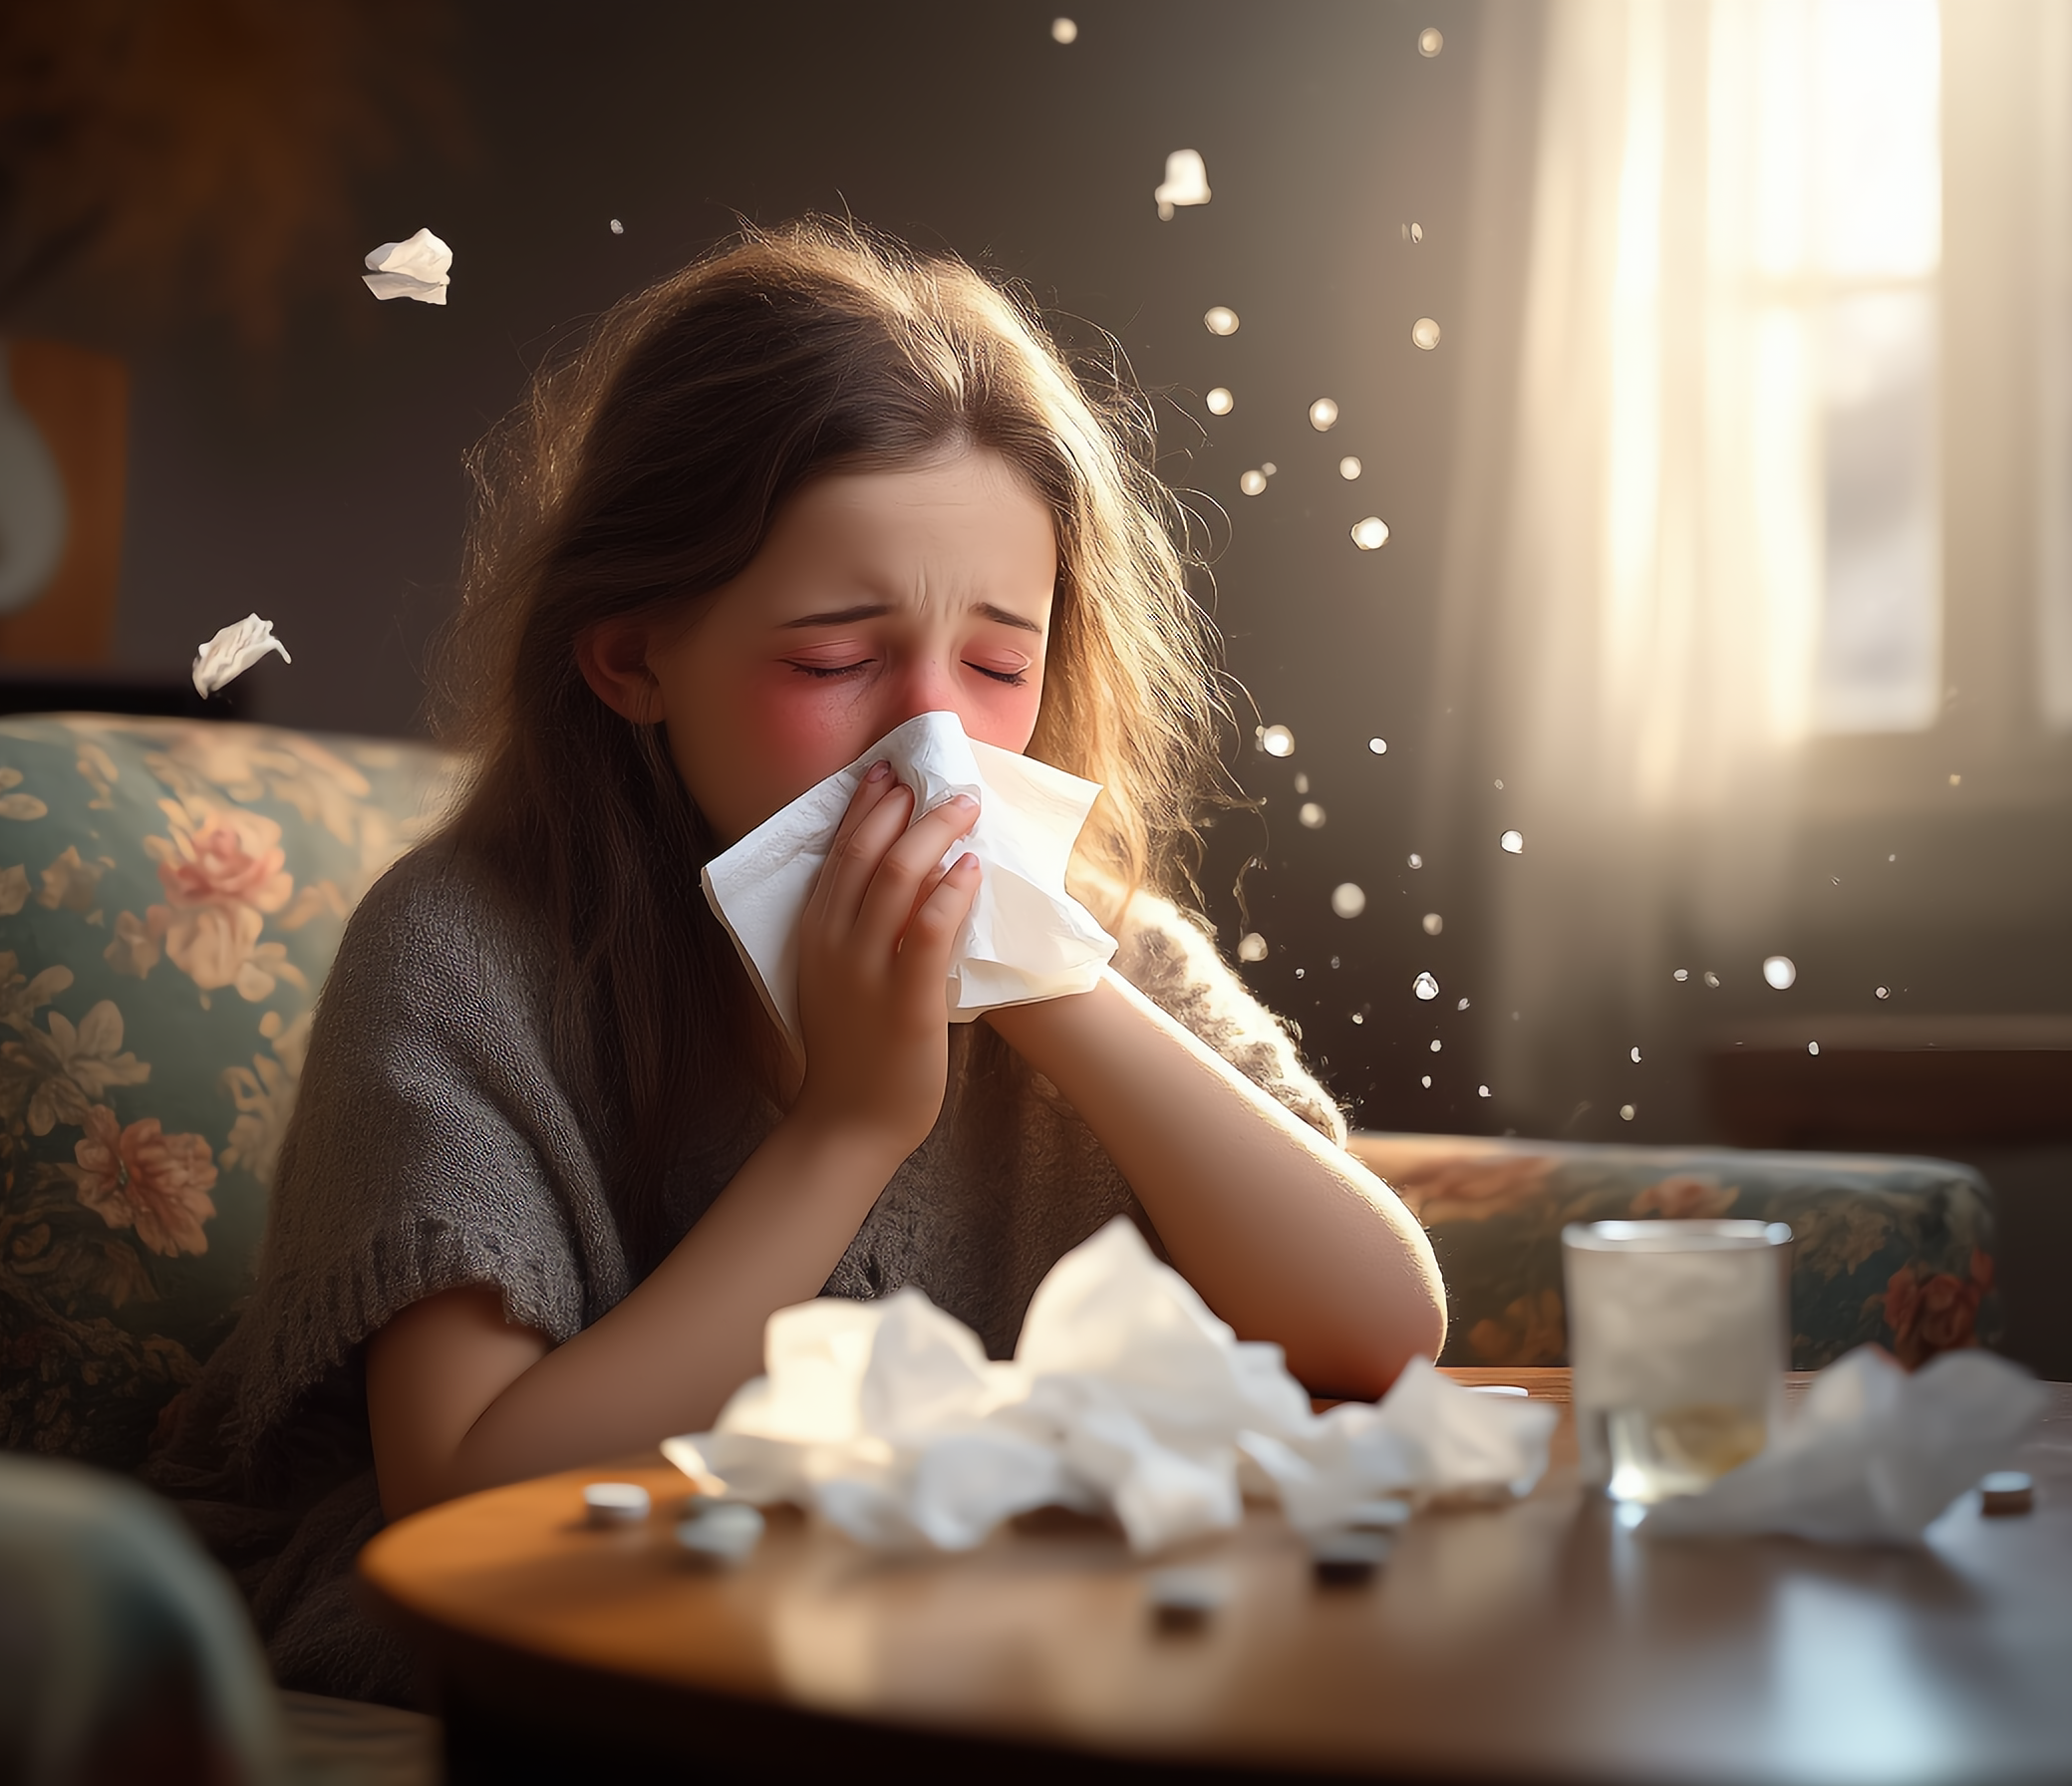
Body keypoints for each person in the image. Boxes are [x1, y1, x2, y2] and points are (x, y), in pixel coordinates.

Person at [148, 218, 1444, 1706]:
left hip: (974, 1641)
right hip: (547, 1637)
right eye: (836, 662)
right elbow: (466, 1489)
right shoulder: (462, 961)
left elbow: (1383, 1321)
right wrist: (851, 1124)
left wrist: (1053, 977)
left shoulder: (1090, 937)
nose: (935, 743)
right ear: (634, 660)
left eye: (999, 665)